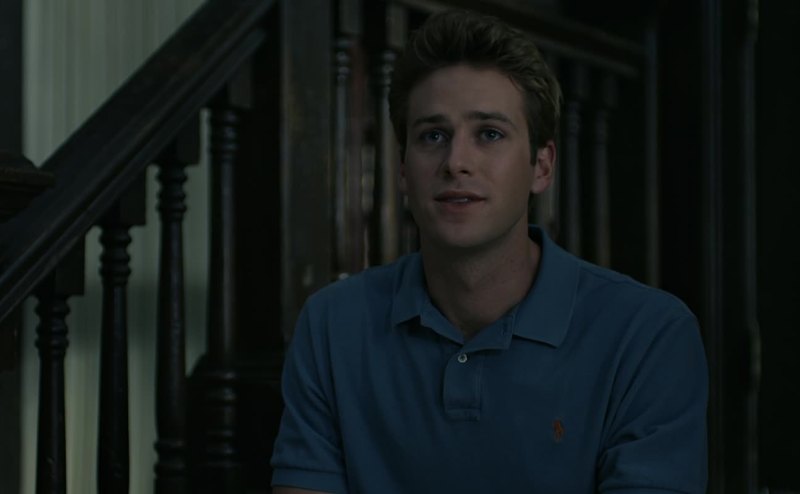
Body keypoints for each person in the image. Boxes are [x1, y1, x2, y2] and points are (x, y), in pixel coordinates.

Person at [270, 8, 708, 494]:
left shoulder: (647, 335)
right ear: (403, 170)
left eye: (490, 134)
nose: (456, 162)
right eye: (433, 135)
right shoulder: (332, 325)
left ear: (542, 166)